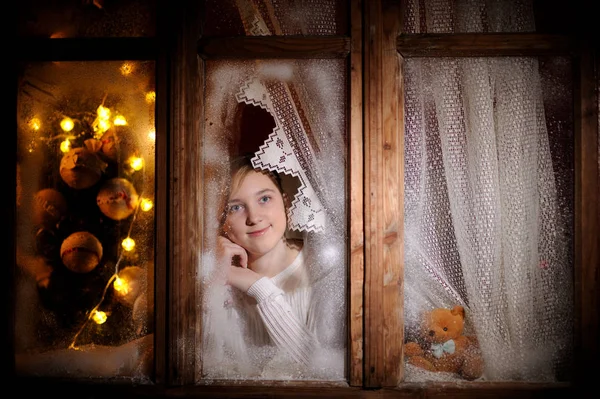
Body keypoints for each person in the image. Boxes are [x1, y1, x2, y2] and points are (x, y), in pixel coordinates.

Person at [202, 155, 323, 379]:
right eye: (235, 208)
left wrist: (258, 286)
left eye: (264, 199)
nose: (254, 217)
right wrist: (217, 280)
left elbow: (320, 371)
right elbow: (207, 369)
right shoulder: (220, 278)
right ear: (221, 222)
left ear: (285, 203)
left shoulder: (321, 268)